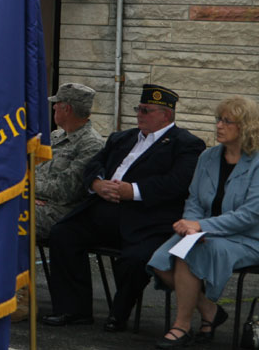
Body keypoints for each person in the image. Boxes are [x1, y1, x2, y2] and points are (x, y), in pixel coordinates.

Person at [42, 84, 206, 332]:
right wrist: (97, 184)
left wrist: (135, 191)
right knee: (63, 234)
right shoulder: (122, 138)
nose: (139, 114)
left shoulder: (185, 144)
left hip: (146, 218)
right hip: (104, 210)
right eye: (138, 109)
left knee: (136, 259)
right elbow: (93, 165)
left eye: (146, 110)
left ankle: (118, 314)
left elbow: (178, 183)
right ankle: (73, 309)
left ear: (166, 115)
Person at [148, 96, 259, 348]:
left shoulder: (258, 163)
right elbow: (195, 198)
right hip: (204, 231)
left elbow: (250, 215)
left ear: (245, 126)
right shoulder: (208, 157)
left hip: (248, 238)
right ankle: (210, 312)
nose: (219, 126)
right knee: (160, 261)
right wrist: (191, 224)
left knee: (191, 254)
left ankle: (182, 326)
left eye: (227, 121)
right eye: (218, 120)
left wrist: (201, 227)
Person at [36, 82, 105, 240]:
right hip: (37, 203)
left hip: (62, 214)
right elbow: (32, 170)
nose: (53, 108)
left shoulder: (91, 144)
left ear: (66, 109)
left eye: (57, 104)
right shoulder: (55, 136)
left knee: (4, 217)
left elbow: (65, 190)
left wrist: (28, 187)